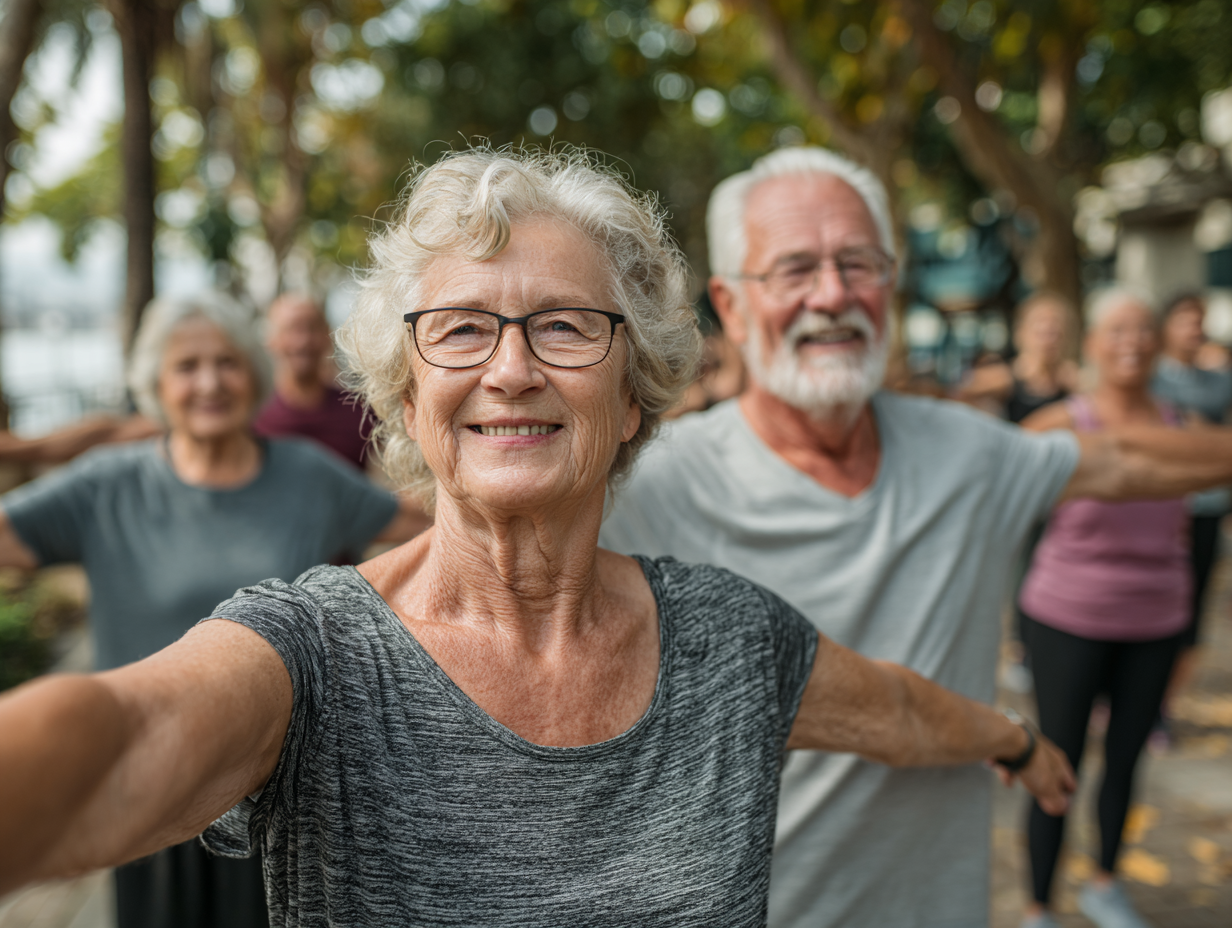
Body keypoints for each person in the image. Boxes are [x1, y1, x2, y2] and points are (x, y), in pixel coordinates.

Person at [0, 150, 1076, 926]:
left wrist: (1014, 742)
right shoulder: (314, 654)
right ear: (408, 396)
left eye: (563, 325)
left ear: (635, 395)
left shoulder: (730, 642)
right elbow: (119, 740)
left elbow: (889, 707)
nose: (510, 368)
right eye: (461, 327)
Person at [598, 146, 1232, 928]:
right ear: (729, 304)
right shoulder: (652, 486)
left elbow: (1125, 457)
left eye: (857, 262)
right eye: (795, 269)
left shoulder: (966, 451)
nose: (832, 295)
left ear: (891, 282)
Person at [0, 292, 427, 928]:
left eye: (226, 362)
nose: (209, 382)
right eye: (186, 366)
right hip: (146, 796)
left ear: (253, 372)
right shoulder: (106, 485)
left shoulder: (309, 476)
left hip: (285, 801)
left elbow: (426, 534)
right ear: (155, 385)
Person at [1017, 289, 1189, 928]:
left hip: (1157, 619)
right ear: (1091, 342)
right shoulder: (1060, 424)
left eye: (1145, 329)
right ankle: (1039, 906)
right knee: (1054, 760)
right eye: (1118, 329)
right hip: (1067, 616)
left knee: (1127, 759)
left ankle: (1105, 882)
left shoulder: (1181, 428)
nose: (1133, 342)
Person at [1151, 292, 1232, 721]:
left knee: (1193, 607)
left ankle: (1163, 703)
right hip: (1161, 508)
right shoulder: (1149, 380)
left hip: (1207, 509)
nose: (1195, 329)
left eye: (1199, 320)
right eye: (1186, 320)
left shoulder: (1220, 380)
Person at [253, 293, 372, 470]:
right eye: (292, 330)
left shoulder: (359, 411)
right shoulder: (253, 415)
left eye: (312, 328)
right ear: (271, 339)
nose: (303, 341)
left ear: (327, 334)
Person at [959, 292, 1080, 422]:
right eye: (1042, 333)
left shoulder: (1073, 382)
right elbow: (957, 398)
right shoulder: (1002, 377)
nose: (1049, 341)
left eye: (1055, 333)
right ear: (1021, 333)